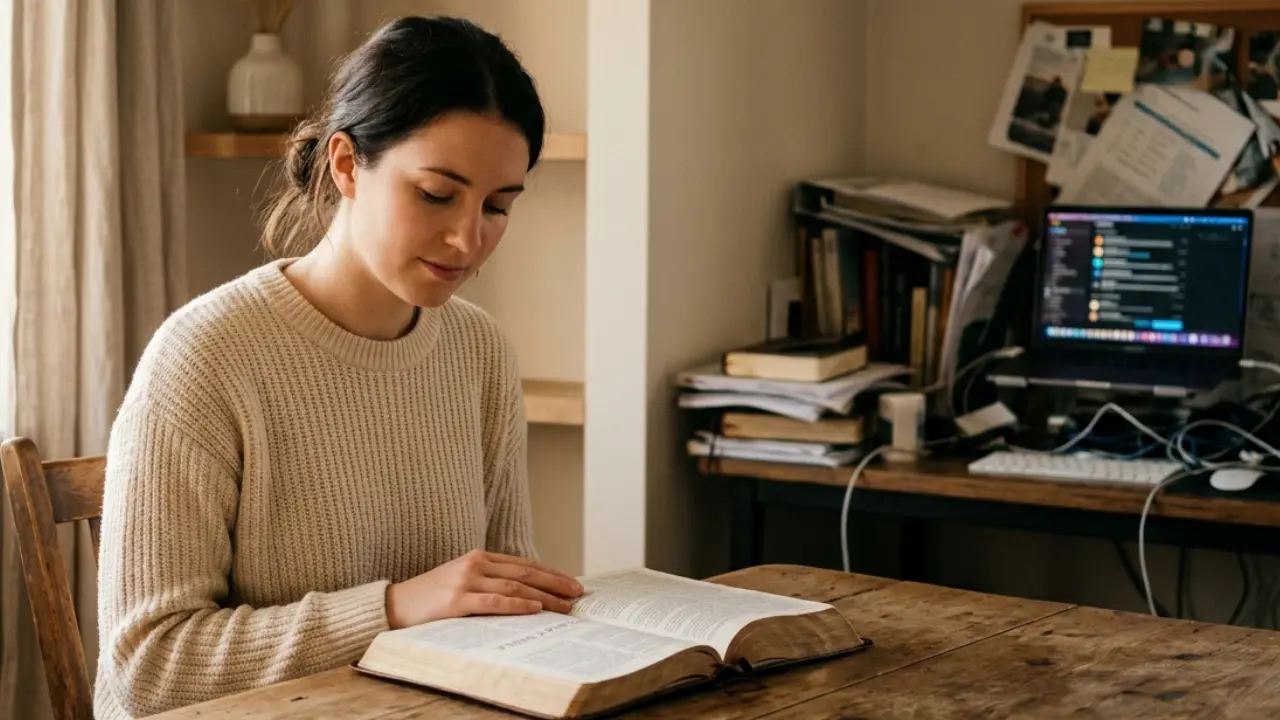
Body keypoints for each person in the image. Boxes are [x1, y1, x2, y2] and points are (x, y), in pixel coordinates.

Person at [93, 16, 583, 719]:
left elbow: (502, 607)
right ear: (346, 164)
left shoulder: (480, 354)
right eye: (437, 194)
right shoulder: (206, 356)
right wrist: (393, 608)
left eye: (498, 207)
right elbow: (152, 665)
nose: (469, 239)